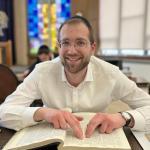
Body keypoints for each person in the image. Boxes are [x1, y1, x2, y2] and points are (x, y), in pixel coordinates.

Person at [0, 16, 150, 140]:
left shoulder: (111, 74)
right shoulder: (42, 72)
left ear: (92, 47)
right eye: (65, 43)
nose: (71, 51)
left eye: (80, 42)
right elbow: (3, 112)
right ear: (58, 46)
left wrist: (124, 117)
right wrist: (43, 113)